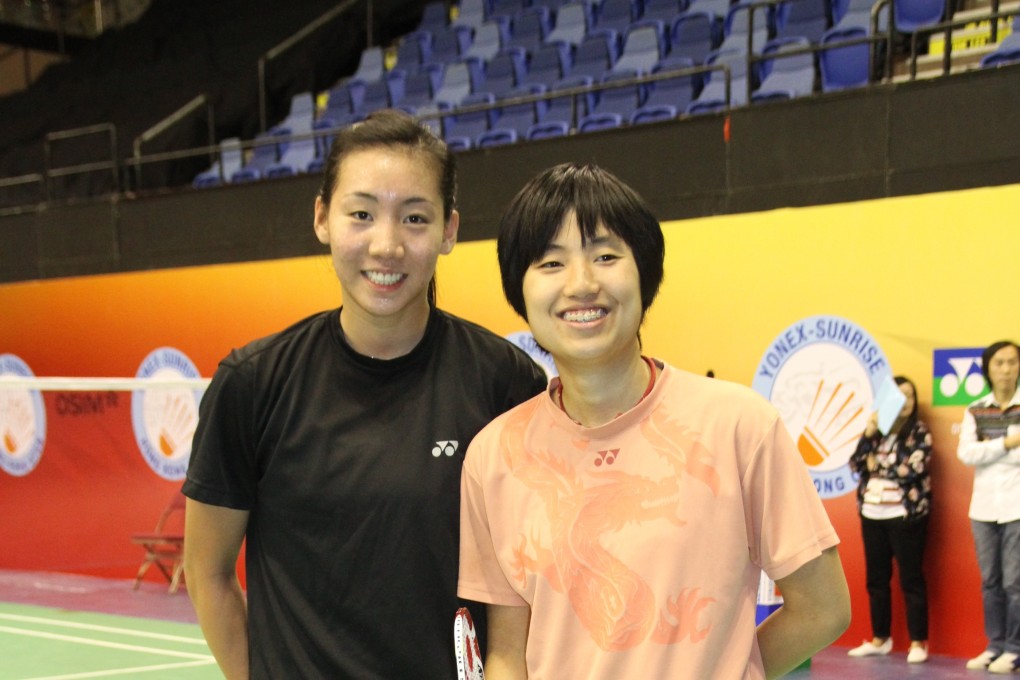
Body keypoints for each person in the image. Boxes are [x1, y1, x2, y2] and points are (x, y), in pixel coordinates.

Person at [182, 109, 548, 679]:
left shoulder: (505, 383)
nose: (386, 245)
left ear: (449, 231)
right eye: (361, 214)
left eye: (415, 218)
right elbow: (207, 572)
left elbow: (521, 590)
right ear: (323, 219)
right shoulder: (252, 383)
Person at [458, 162, 851, 679]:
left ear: (645, 273)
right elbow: (510, 654)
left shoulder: (740, 426)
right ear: (520, 290)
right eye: (550, 264)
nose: (581, 284)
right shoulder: (493, 456)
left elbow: (823, 608)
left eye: (604, 256)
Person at [845, 376, 933, 664]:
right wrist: (869, 433)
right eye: (899, 396)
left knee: (911, 579)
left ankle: (919, 642)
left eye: (910, 396)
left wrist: (877, 464)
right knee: (876, 580)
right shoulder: (876, 432)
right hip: (872, 513)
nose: (905, 402)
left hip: (904, 514)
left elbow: (911, 468)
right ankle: (880, 638)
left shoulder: (919, 432)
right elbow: (856, 463)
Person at [958, 340, 1020, 673]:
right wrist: (1009, 442)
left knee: (1015, 582)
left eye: (1013, 362)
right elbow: (967, 454)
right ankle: (994, 645)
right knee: (991, 581)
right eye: (1000, 363)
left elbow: (983, 453)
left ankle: (1015, 648)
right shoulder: (975, 409)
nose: (1007, 369)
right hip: (982, 508)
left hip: (1016, 507)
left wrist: (989, 447)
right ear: (988, 368)